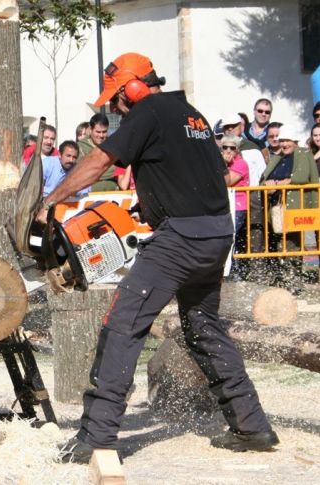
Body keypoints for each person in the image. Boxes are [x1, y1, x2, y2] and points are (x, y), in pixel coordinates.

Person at [37, 52, 278, 463]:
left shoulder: (147, 111)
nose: (114, 107)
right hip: (216, 233)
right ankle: (252, 424)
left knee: (123, 324)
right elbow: (191, 176)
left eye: (116, 97)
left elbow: (98, 161)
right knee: (203, 326)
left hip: (181, 239)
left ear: (134, 87)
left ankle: (96, 436)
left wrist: (51, 200)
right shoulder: (191, 115)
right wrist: (147, 209)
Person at [249, 126, 319, 289]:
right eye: (282, 140)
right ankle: (284, 278)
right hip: (276, 207)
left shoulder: (303, 153)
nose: (284, 143)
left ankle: (293, 281)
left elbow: (301, 176)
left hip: (295, 205)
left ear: (295, 141)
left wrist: (280, 184)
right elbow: (263, 178)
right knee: (280, 243)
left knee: (292, 243)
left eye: (287, 140)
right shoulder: (277, 156)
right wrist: (268, 184)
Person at [220, 134, 250, 280]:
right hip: (224, 205)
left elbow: (228, 181)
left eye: (232, 148)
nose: (228, 151)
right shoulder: (220, 162)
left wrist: (222, 164)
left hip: (237, 205)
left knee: (230, 237)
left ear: (237, 150)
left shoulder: (241, 163)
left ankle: (232, 272)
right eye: (225, 147)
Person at [80, 114, 117, 192]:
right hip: (90, 193)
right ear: (90, 129)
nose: (101, 135)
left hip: (113, 192)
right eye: (98, 132)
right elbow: (82, 173)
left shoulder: (113, 145)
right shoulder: (81, 147)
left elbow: (117, 169)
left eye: (104, 132)